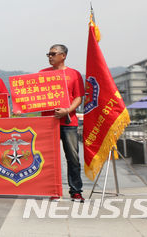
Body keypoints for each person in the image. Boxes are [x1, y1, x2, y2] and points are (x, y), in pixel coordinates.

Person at [40, 44, 85, 202]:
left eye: (53, 54)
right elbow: (32, 96)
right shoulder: (42, 74)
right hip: (48, 122)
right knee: (50, 158)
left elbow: (79, 97)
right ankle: (53, 190)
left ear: (63, 55)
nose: (50, 57)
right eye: (48, 54)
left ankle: (76, 190)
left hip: (69, 121)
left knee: (72, 157)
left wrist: (67, 110)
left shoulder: (74, 74)